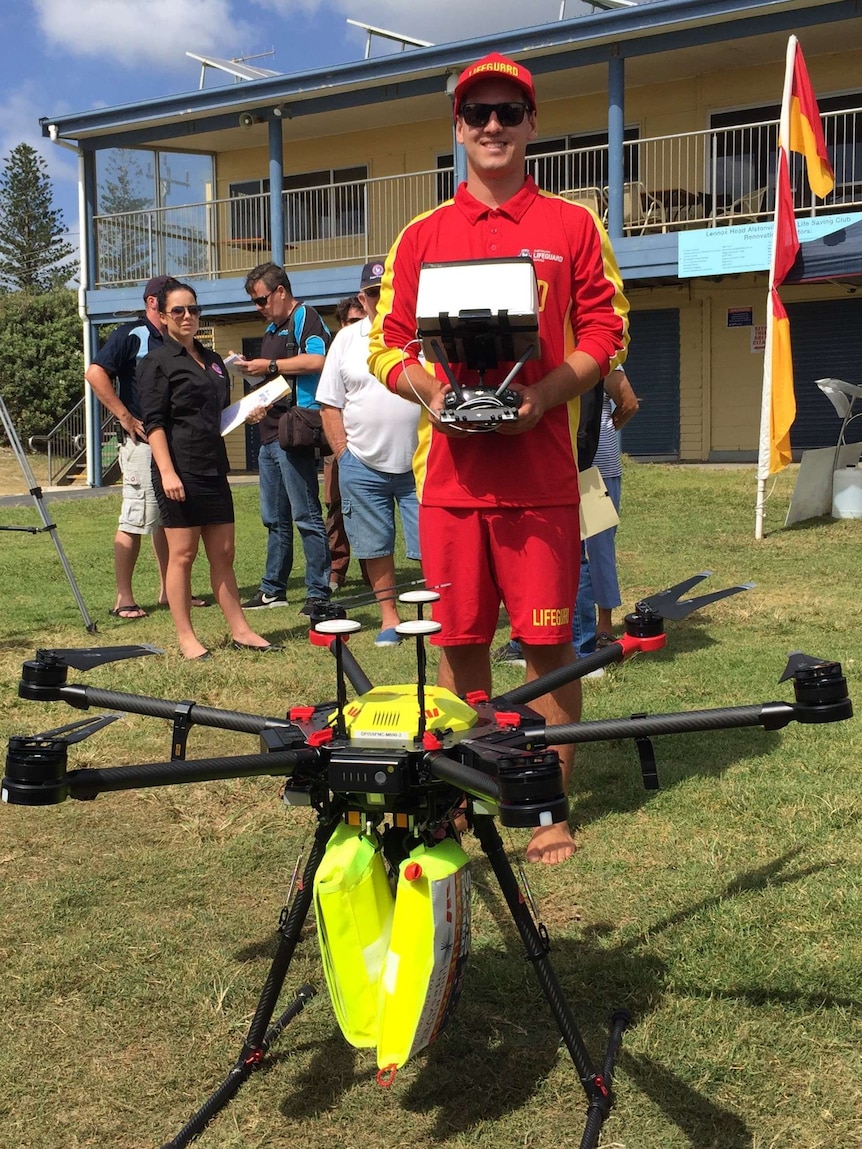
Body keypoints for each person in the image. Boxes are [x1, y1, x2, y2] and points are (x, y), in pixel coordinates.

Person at [368, 52, 629, 864]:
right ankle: (472, 792)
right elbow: (386, 344)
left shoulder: (574, 226)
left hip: (543, 480)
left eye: (507, 113)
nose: (491, 126)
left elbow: (606, 331)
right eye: (476, 113)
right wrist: (430, 392)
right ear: (457, 127)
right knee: (461, 647)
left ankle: (546, 805)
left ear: (531, 125)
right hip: (447, 484)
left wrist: (544, 397)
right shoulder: (421, 235)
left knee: (549, 647)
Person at [138, 279, 277, 659]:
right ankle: (186, 638)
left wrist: (249, 415)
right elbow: (154, 424)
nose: (187, 317)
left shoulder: (215, 361)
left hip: (214, 466)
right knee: (182, 555)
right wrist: (167, 473)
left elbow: (217, 416)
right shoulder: (155, 362)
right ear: (163, 316)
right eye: (178, 311)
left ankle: (241, 630)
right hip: (179, 469)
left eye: (193, 309)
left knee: (224, 553)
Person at [85, 275, 206, 619]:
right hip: (142, 444)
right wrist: (123, 415)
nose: (182, 313)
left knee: (167, 519)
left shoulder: (177, 341)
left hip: (175, 444)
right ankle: (124, 597)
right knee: (136, 518)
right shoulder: (131, 334)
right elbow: (95, 373)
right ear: (154, 302)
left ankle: (171, 591)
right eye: (173, 305)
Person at [318, 261, 421, 645]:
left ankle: (439, 613)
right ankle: (389, 619)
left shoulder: (420, 333)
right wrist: (343, 453)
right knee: (374, 546)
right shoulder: (347, 339)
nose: (382, 297)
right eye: (374, 292)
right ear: (363, 298)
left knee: (432, 545)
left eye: (388, 288)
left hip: (420, 462)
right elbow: (329, 403)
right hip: (362, 462)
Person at [232, 263, 334, 621]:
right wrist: (257, 401)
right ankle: (273, 588)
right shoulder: (272, 329)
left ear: (280, 292)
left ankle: (319, 591)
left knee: (306, 514)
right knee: (274, 518)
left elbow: (319, 360)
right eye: (254, 303)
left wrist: (269, 365)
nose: (258, 308)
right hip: (269, 430)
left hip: (297, 430)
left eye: (261, 300)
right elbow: (276, 378)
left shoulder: (306, 317)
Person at [573, 367, 639, 656]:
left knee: (598, 550)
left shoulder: (604, 359)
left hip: (596, 469)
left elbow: (628, 403)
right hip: (565, 465)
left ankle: (604, 626)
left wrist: (603, 430)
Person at [325, 295, 366, 593]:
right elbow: (328, 403)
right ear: (342, 324)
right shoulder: (339, 349)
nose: (358, 325)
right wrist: (340, 450)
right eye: (352, 321)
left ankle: (372, 572)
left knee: (374, 511)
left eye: (362, 319)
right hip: (341, 445)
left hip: (376, 445)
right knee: (336, 506)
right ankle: (337, 570)